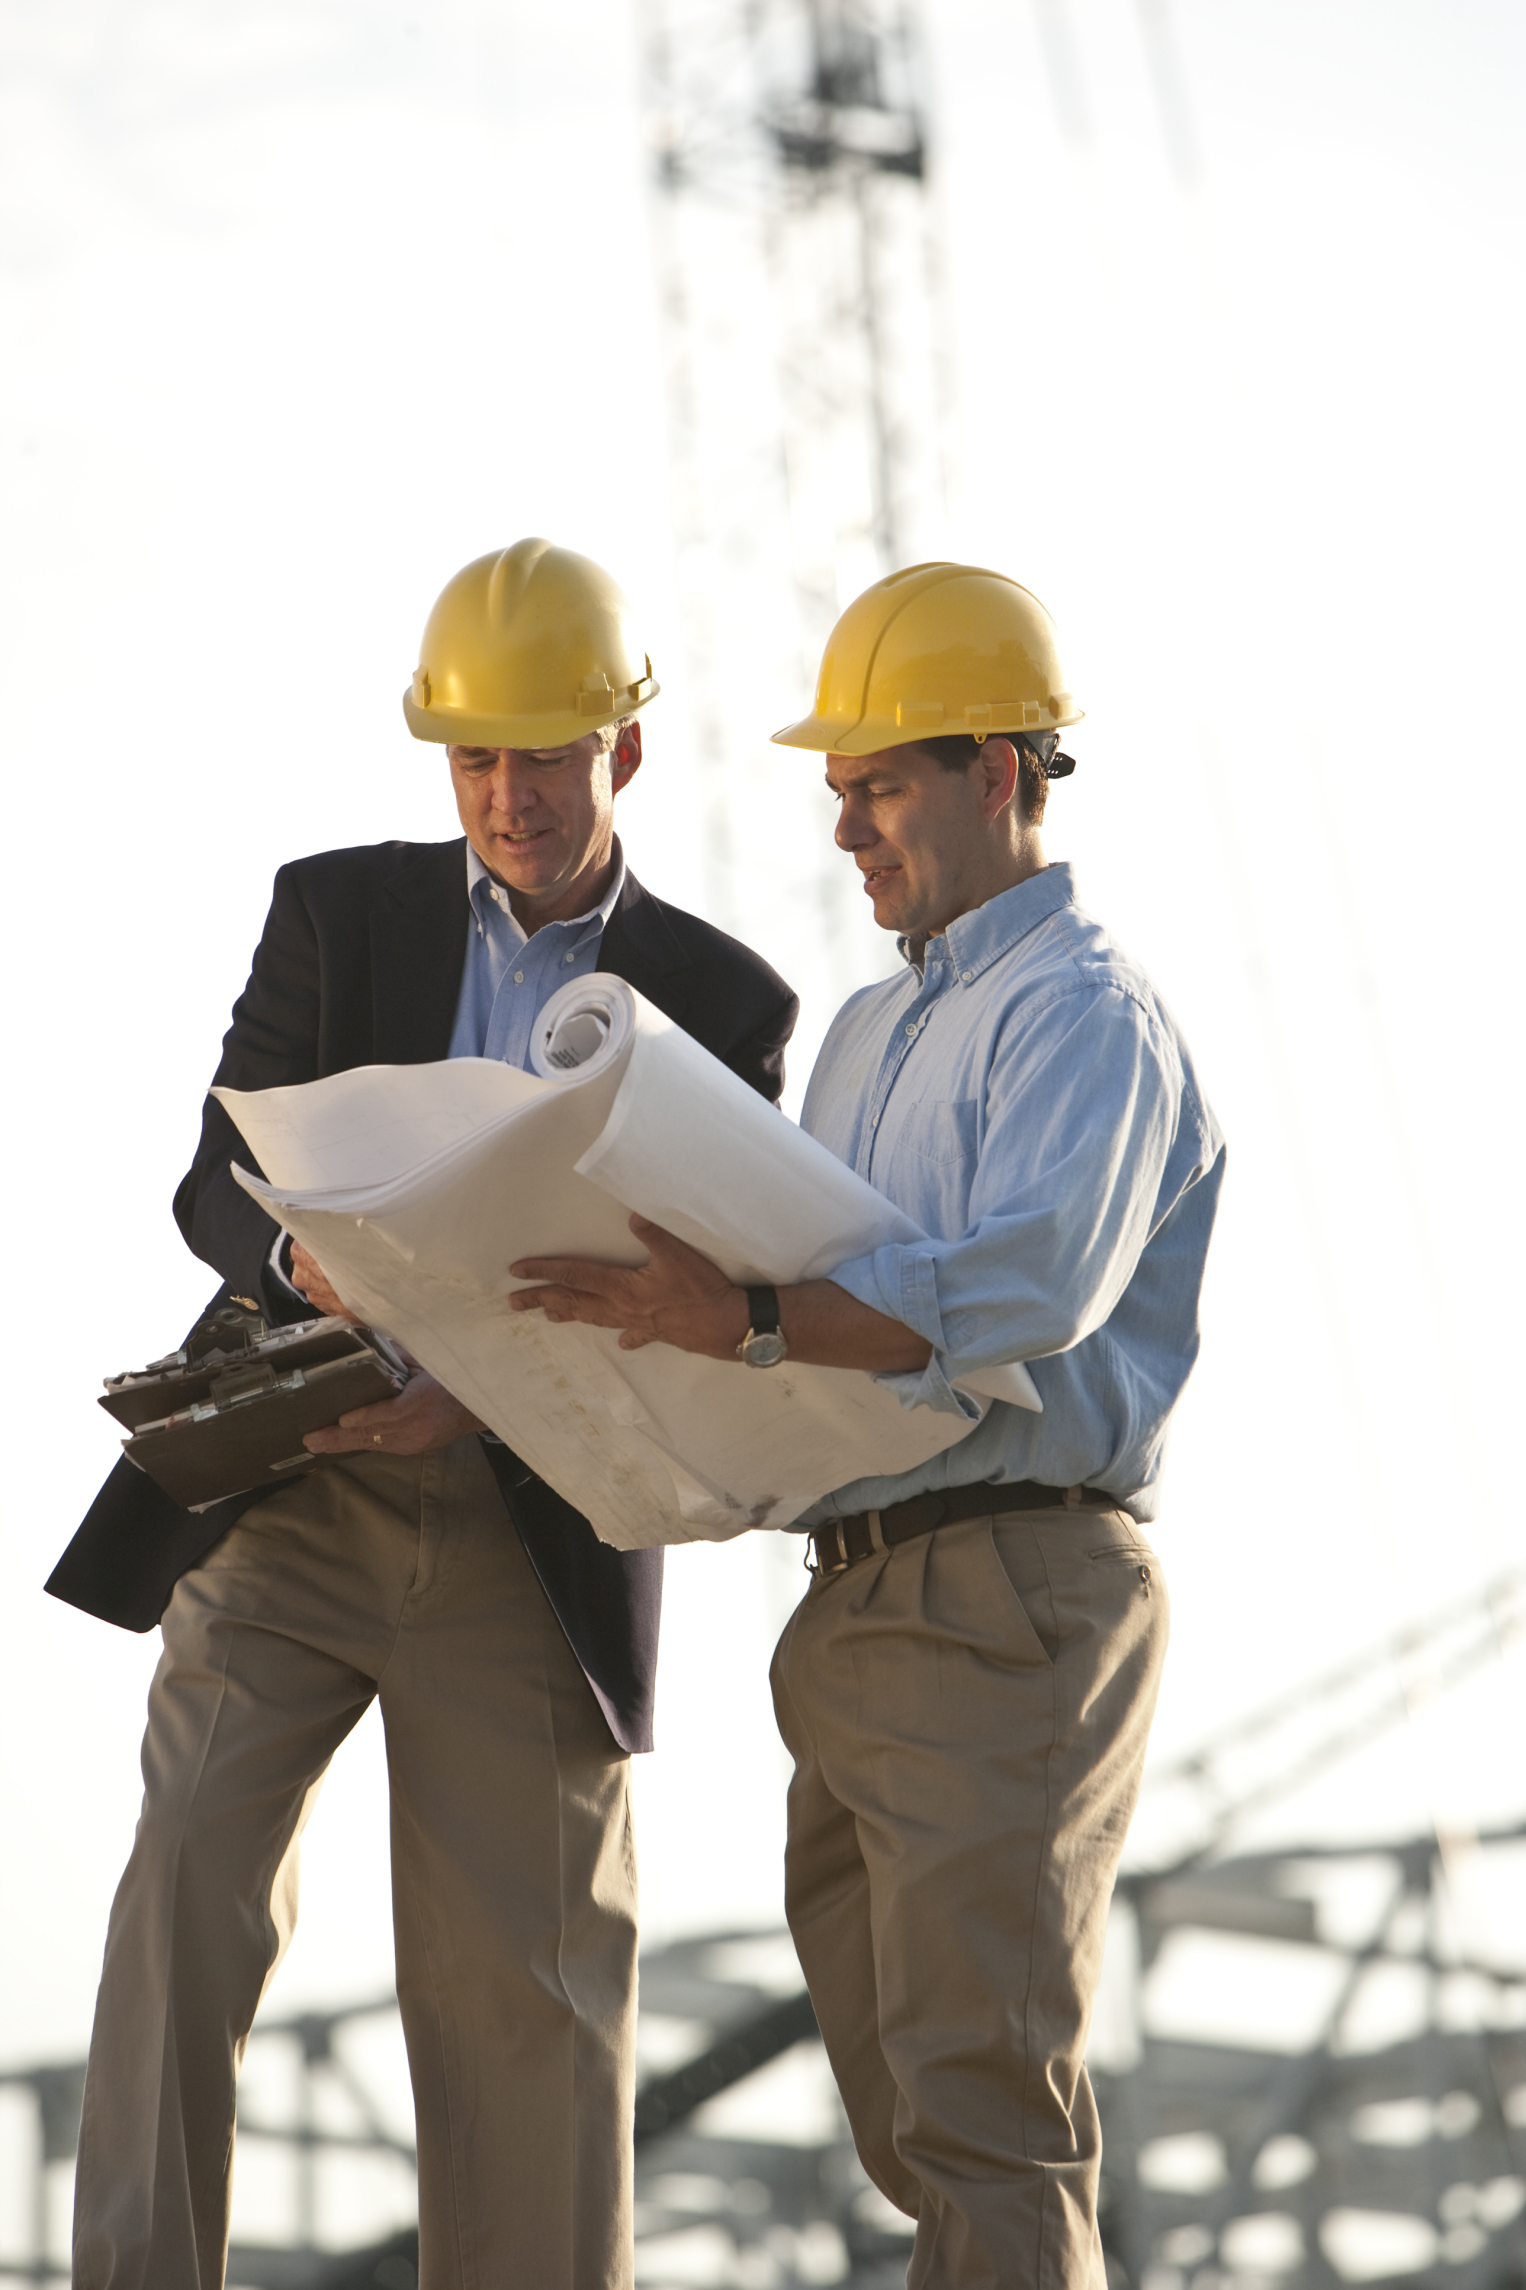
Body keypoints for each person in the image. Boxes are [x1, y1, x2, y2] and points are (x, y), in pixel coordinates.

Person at [47, 538, 799, 2290]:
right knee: (184, 1885)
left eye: (542, 757)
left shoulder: (724, 1000)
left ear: (623, 747)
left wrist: (480, 1386)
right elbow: (216, 1180)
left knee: (530, 1994)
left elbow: (701, 1302)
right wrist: (300, 1260)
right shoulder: (336, 912)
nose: (507, 796)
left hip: (530, 1529)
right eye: (474, 759)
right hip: (292, 1485)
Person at [508, 560, 1225, 2289]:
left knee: (983, 2110)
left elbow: (1022, 1291)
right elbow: (811, 1304)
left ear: (999, 772)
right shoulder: (862, 1034)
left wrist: (748, 1319)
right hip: (855, 1602)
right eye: (837, 790)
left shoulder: (1085, 1015)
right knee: (916, 2120)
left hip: (1008, 1593)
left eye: (879, 784)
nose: (844, 829)